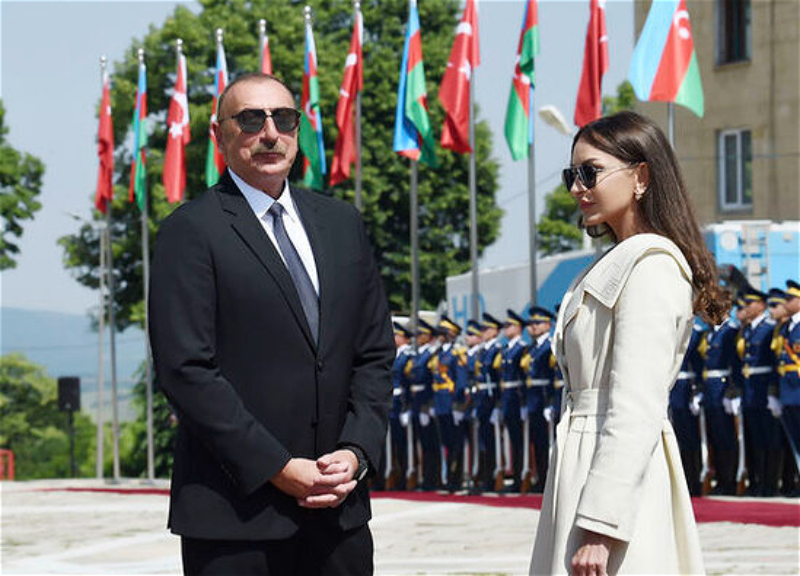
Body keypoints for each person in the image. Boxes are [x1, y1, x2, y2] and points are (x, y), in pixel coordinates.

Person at [148, 73, 394, 576]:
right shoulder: (190, 231)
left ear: (298, 131)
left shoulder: (342, 224)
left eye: (283, 119)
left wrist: (356, 451)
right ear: (218, 134)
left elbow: (373, 353)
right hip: (236, 518)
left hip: (339, 513)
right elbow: (186, 370)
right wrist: (278, 468)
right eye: (250, 120)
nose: (269, 133)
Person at [530, 111, 728, 575]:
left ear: (640, 176)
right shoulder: (617, 261)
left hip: (616, 481)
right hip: (587, 458)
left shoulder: (652, 266)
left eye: (591, 172)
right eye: (571, 175)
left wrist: (601, 525)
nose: (577, 187)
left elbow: (636, 404)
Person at [737, 287, 782, 496]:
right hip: (749, 391)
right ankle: (758, 482)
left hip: (763, 390)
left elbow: (774, 363)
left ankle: (770, 484)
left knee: (770, 439)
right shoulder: (747, 330)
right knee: (754, 440)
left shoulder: (769, 329)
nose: (746, 307)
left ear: (761, 306)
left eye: (750, 303)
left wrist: (773, 391)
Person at [668, 318, 705, 496]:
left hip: (687, 390)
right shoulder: (670, 331)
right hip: (673, 389)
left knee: (691, 439)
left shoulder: (696, 333)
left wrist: (698, 390)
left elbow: (700, 365)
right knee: (678, 438)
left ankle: (695, 481)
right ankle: (683, 482)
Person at [521, 306, 556, 493]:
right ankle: (541, 479)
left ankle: (549, 481)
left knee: (548, 443)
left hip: (544, 399)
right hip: (533, 401)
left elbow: (554, 377)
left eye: (537, 323)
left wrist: (550, 402)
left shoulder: (550, 346)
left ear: (548, 325)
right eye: (531, 323)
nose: (533, 326)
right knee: (537, 442)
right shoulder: (532, 348)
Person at [433, 316, 468, 491]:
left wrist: (458, 406)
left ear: (451, 334)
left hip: (451, 403)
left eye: (442, 333)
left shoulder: (456, 353)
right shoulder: (439, 353)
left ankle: (456, 479)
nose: (439, 336)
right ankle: (447, 478)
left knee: (456, 443)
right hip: (440, 404)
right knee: (446, 443)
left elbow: (460, 381)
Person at [408, 318, 440, 490]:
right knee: (422, 444)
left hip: (425, 404)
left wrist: (427, 407)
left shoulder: (430, 355)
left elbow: (432, 382)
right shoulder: (418, 355)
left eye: (421, 334)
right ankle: (426, 478)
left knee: (431, 444)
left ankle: (432, 479)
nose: (418, 337)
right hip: (416, 403)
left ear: (429, 336)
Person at [499, 309, 528, 492]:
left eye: (509, 325)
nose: (505, 328)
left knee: (519, 441)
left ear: (518, 328)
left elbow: (524, 378)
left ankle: (521, 478)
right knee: (512, 440)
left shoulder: (522, 349)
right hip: (507, 399)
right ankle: (515, 478)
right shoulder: (506, 350)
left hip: (517, 400)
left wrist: (524, 403)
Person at [777, 280, 800, 496]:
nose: (786, 302)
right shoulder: (785, 327)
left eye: (791, 299)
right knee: (795, 440)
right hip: (788, 391)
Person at [388, 321, 414, 491]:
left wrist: (407, 408)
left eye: (397, 335)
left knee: (404, 444)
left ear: (405, 338)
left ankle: (405, 477)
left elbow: (410, 384)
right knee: (394, 444)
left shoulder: (408, 356)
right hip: (393, 404)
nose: (394, 337)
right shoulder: (395, 354)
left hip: (402, 404)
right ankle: (397, 477)